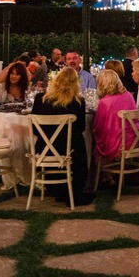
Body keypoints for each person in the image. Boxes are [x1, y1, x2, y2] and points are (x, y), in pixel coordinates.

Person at [31, 66, 92, 205]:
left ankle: (55, 189)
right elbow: (81, 128)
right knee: (79, 142)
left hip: (45, 148)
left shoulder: (40, 98)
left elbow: (35, 129)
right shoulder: (78, 102)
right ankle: (75, 190)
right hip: (69, 150)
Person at [93, 69, 139, 162]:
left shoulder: (104, 102)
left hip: (117, 145)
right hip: (135, 139)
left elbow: (98, 128)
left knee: (95, 141)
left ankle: (103, 174)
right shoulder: (128, 95)